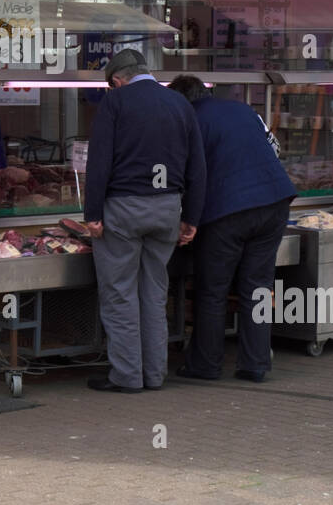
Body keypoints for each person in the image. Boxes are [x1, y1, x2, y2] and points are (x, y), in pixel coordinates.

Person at [83, 49, 205, 393]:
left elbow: (100, 160)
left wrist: (92, 213)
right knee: (154, 292)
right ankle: (154, 374)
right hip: (168, 207)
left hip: (123, 208)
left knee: (120, 293)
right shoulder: (180, 103)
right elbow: (197, 165)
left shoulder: (116, 102)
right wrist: (191, 217)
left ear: (118, 79)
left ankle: (126, 376)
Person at [168, 75, 296, 383]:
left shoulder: (189, 122)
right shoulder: (243, 110)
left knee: (213, 290)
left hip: (227, 211)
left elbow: (190, 177)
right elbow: (274, 148)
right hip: (275, 201)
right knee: (258, 287)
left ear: (181, 102)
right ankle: (255, 364)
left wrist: (189, 220)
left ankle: (206, 365)